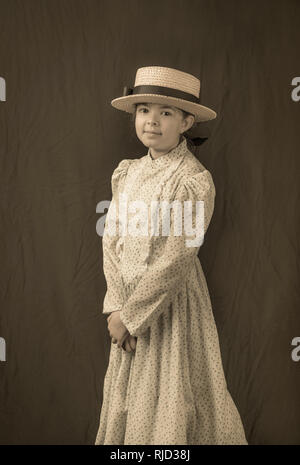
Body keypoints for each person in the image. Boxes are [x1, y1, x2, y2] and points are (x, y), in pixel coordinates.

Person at [95, 66, 248, 445]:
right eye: (145, 109)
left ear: (186, 121)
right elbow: (111, 239)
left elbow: (176, 259)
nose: (152, 121)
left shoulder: (192, 180)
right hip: (125, 308)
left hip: (169, 309)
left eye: (166, 113)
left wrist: (133, 317)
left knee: (170, 399)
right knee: (130, 402)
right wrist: (116, 308)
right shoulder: (127, 173)